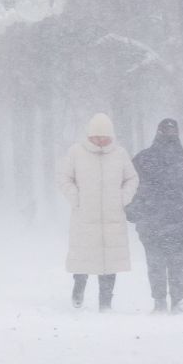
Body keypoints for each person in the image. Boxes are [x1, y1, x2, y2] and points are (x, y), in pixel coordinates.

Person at [127, 118, 183, 314]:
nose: (169, 133)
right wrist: (131, 208)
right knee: (168, 261)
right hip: (165, 218)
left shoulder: (145, 159)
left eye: (171, 130)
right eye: (167, 130)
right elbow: (130, 186)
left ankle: (171, 300)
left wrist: (132, 209)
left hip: (164, 219)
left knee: (167, 261)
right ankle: (166, 300)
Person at [56, 113, 137, 311]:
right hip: (85, 217)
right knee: (83, 259)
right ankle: (78, 290)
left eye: (105, 136)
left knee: (110, 262)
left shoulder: (119, 153)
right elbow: (64, 178)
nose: (101, 140)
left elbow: (132, 178)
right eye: (96, 136)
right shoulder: (76, 152)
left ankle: (106, 303)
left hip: (112, 218)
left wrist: (122, 198)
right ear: (89, 136)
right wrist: (76, 198)